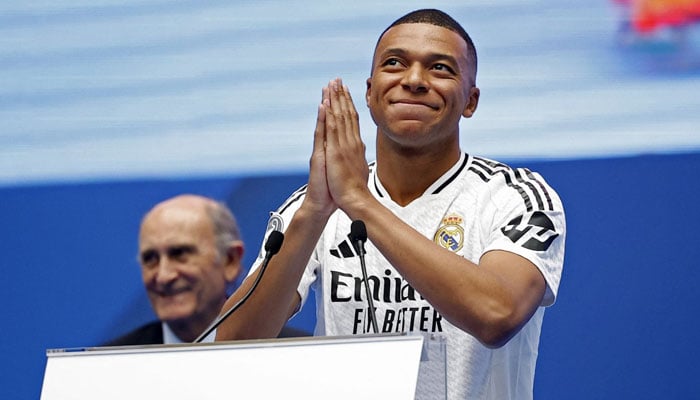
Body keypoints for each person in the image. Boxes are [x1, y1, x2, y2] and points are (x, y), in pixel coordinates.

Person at [216, 9, 565, 399]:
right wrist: (314, 213)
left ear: (471, 100)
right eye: (395, 63)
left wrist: (361, 204)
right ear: (369, 92)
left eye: (441, 69)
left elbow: (496, 315)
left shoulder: (514, 197)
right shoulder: (313, 207)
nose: (414, 81)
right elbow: (232, 347)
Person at [104, 194, 308, 346]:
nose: (164, 276)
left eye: (180, 254)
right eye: (150, 259)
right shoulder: (109, 365)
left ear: (230, 261)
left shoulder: (297, 354)